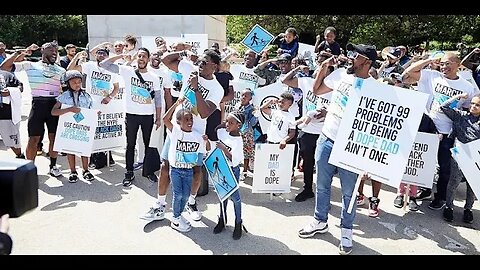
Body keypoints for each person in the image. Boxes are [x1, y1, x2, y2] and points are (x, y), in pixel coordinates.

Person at [298, 43, 377, 255]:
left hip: (351, 146)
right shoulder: (341, 74)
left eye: (356, 55)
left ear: (367, 62)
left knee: (349, 193)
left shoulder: (376, 88)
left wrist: (370, 159)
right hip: (327, 138)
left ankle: (346, 230)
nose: (350, 57)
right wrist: (324, 66)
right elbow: (316, 90)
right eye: (350, 53)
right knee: (322, 185)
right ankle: (319, 220)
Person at [142, 49, 224, 222]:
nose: (200, 64)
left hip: (196, 134)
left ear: (214, 67)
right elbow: (165, 59)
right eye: (200, 60)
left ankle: (191, 202)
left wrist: (195, 88)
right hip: (176, 129)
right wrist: (184, 51)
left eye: (204, 62)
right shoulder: (189, 68)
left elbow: (203, 113)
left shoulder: (217, 89)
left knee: (195, 170)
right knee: (166, 165)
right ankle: (160, 204)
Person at [402, 52, 476, 211]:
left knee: (444, 167)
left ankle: (440, 197)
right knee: (422, 163)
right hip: (427, 126)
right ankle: (419, 192)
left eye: (448, 63)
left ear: (458, 65)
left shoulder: (467, 87)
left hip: (448, 133)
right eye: (442, 63)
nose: (444, 67)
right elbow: (409, 72)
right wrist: (428, 60)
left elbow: (468, 110)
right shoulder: (432, 76)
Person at [0, 42, 65, 177]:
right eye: (51, 49)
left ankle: (53, 166)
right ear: (42, 50)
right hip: (38, 104)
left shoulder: (61, 70)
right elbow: (4, 67)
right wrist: (20, 53)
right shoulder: (30, 65)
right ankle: (30, 169)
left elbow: (66, 89)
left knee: (54, 138)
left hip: (54, 104)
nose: (54, 52)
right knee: (33, 139)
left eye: (56, 50)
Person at [100, 47, 163, 185]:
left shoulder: (154, 77)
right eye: (139, 56)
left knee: (148, 144)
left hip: (148, 115)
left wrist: (158, 118)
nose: (141, 58)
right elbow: (104, 64)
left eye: (144, 56)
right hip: (132, 115)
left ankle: (149, 171)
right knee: (130, 144)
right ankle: (129, 171)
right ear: (136, 57)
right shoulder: (127, 71)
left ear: (148, 59)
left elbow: (158, 99)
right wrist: (121, 56)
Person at [162, 98, 206, 233]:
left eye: (191, 119)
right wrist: (176, 104)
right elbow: (165, 119)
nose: (190, 122)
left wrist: (206, 141)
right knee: (178, 195)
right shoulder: (175, 132)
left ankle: (179, 215)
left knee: (186, 196)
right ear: (178, 122)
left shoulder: (196, 136)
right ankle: (175, 218)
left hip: (188, 171)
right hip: (175, 170)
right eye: (186, 120)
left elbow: (204, 150)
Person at [206, 111, 246, 240]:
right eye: (227, 121)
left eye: (231, 123)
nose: (227, 124)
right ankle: (222, 219)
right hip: (221, 168)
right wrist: (223, 124)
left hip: (231, 170)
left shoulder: (238, 140)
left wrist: (224, 149)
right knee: (222, 197)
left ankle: (238, 223)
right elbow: (216, 129)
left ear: (238, 125)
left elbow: (235, 160)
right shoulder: (224, 132)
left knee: (235, 198)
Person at [441, 93, 480, 223]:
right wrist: (457, 97)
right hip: (460, 154)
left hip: (476, 156)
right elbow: (443, 106)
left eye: (477, 105)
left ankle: (468, 209)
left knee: (472, 185)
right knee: (453, 182)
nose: (473, 106)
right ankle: (449, 207)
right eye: (472, 103)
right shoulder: (460, 116)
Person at [51, 70, 95, 182]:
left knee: (84, 149)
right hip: (69, 129)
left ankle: (86, 170)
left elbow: (91, 110)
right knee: (70, 149)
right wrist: (69, 109)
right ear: (68, 83)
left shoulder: (87, 96)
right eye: (74, 82)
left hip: (83, 127)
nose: (77, 84)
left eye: (79, 82)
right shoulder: (63, 97)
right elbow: (54, 112)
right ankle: (73, 171)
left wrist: (95, 114)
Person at [0, 70, 24, 159]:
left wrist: (10, 91)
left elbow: (20, 86)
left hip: (5, 114)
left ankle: (20, 157)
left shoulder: (7, 75)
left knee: (13, 142)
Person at [238, 88, 258, 177]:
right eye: (242, 95)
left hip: (246, 133)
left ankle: (245, 171)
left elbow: (253, 123)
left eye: (246, 96)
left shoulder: (251, 109)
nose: (243, 97)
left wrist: (255, 115)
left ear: (250, 98)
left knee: (246, 153)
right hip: (238, 132)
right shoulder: (238, 106)